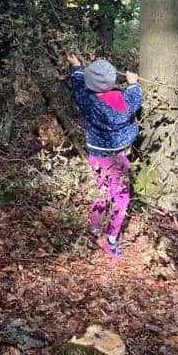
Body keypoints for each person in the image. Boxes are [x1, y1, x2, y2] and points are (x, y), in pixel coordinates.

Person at [67, 54, 143, 259]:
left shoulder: (86, 98)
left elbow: (77, 83)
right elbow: (137, 97)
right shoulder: (125, 99)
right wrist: (133, 83)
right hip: (117, 157)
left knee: (102, 192)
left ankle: (94, 229)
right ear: (112, 80)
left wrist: (76, 66)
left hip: (96, 155)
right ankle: (111, 240)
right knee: (122, 197)